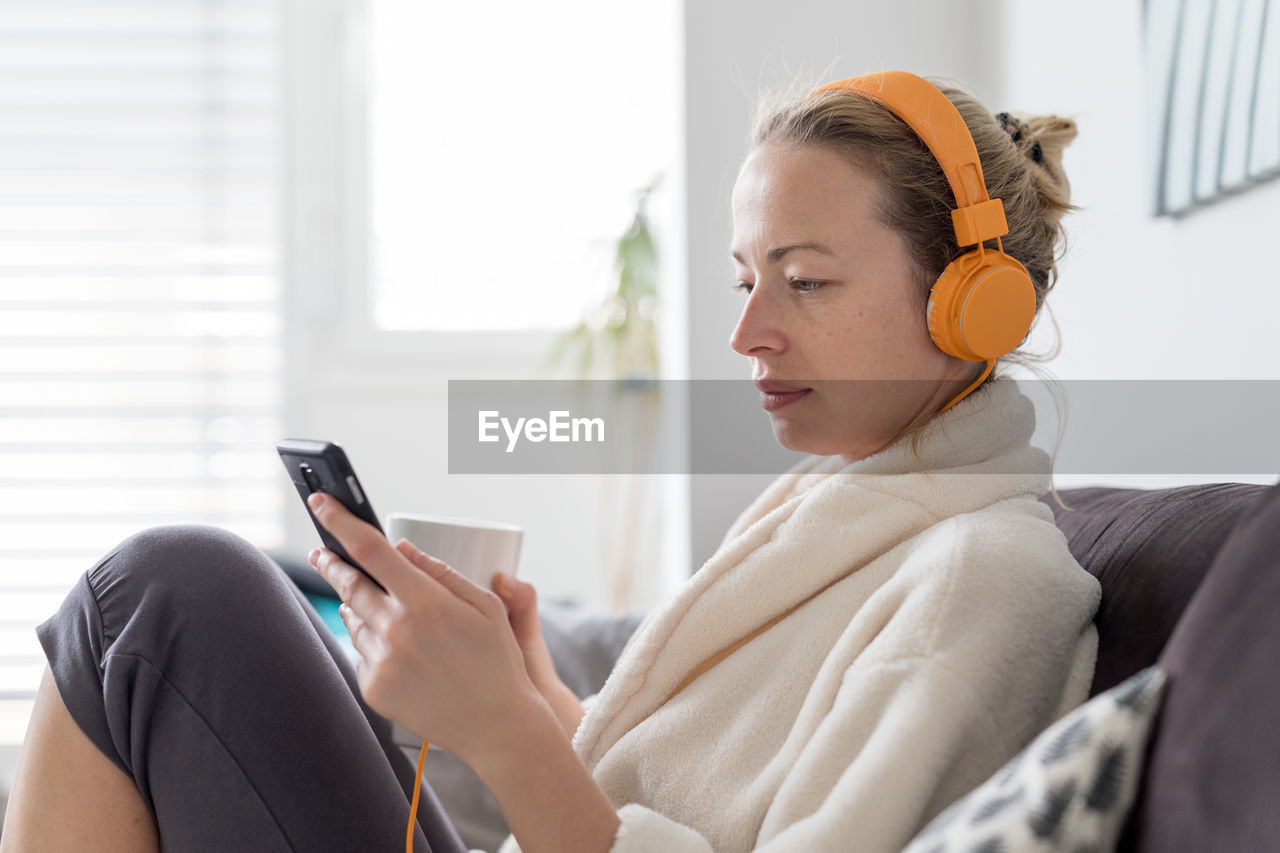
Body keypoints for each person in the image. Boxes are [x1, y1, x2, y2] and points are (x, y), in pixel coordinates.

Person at [2, 71, 1099, 853]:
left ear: (972, 302)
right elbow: (701, 805)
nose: (747, 331)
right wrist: (546, 703)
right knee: (153, 608)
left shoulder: (982, 577)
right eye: (742, 280)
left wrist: (503, 731)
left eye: (803, 280)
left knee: (166, 594)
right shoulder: (843, 506)